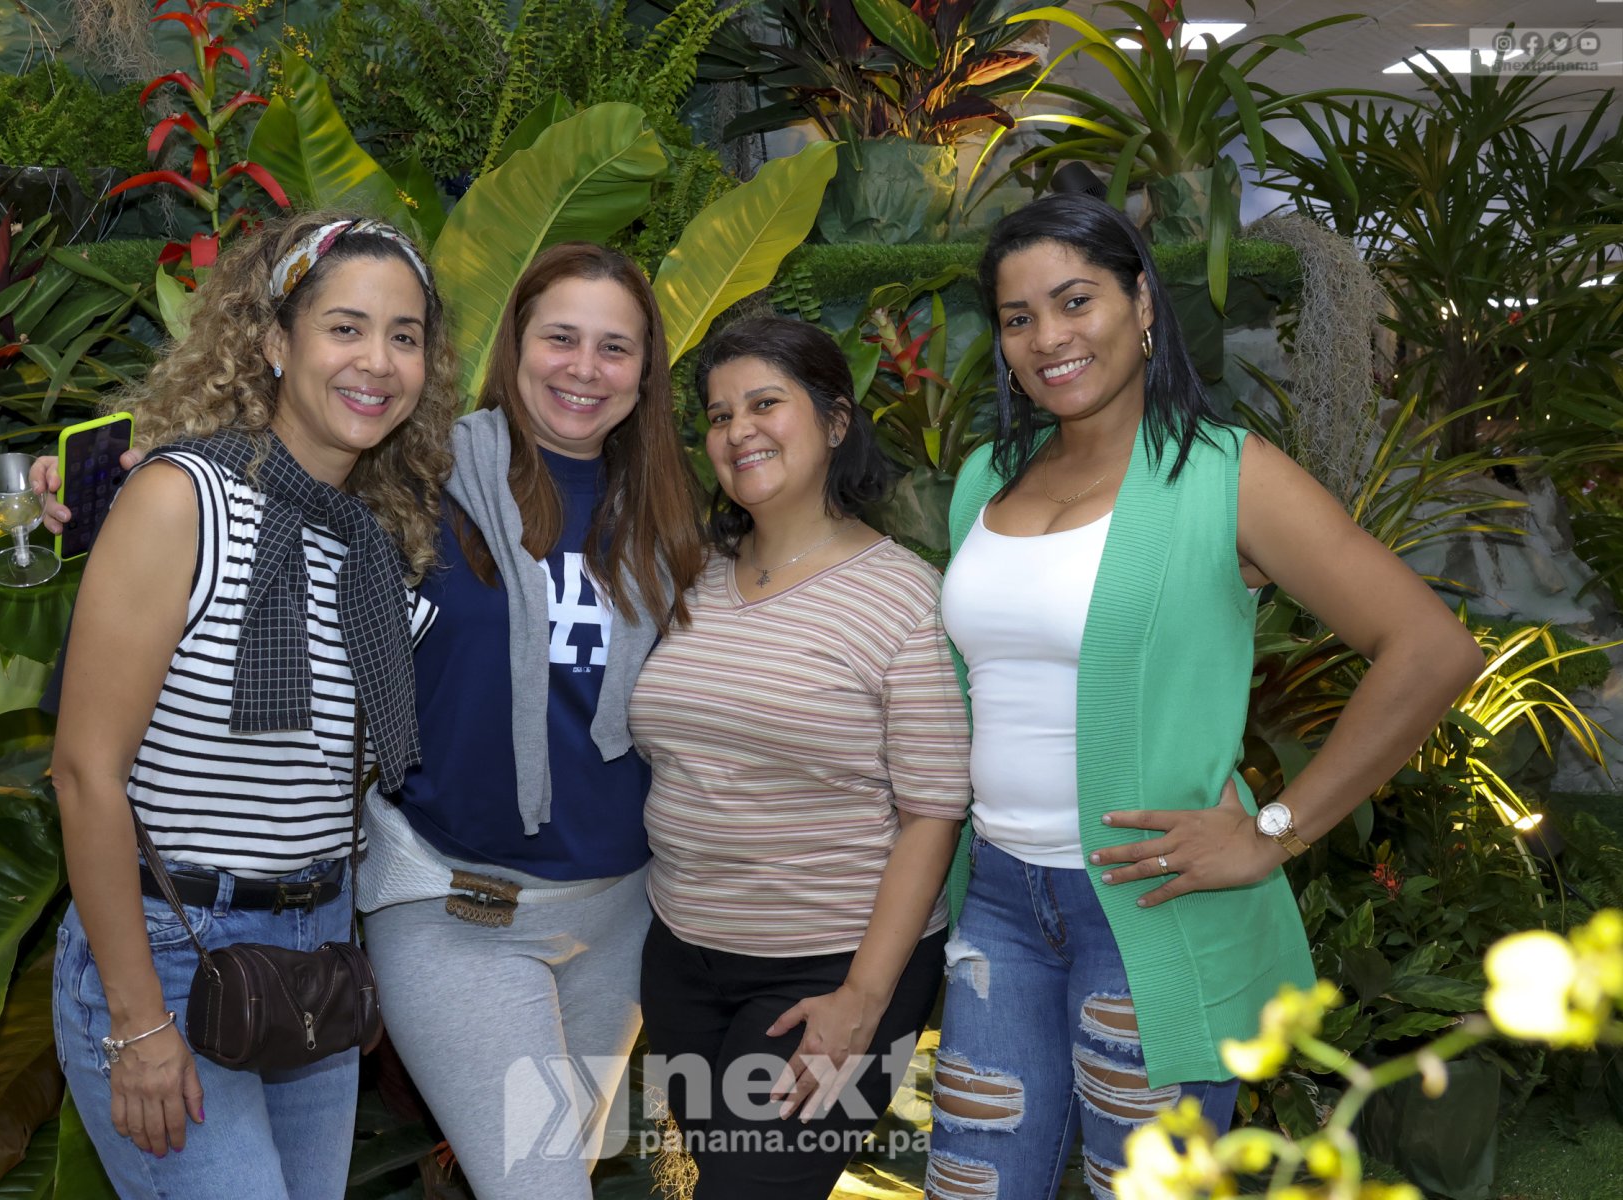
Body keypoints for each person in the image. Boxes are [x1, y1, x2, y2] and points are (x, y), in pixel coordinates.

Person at [922, 193, 1486, 1200]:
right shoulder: (984, 481)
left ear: (1143, 305)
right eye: (1018, 318)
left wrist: (1275, 831)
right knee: (970, 1183)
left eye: (1076, 301)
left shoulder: (1227, 475)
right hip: (1000, 900)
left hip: (1152, 908)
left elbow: (1429, 649)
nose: (1048, 337)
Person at [49, 213, 456, 1199]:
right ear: (275, 341)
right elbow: (85, 774)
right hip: (171, 948)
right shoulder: (180, 501)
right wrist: (138, 1022)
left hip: (314, 955)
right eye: (345, 327)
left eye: (404, 336)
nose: (378, 361)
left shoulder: (374, 542)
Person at [352, 240, 706, 1198]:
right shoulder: (415, 480)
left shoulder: (668, 511)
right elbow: (262, 517)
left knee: (559, 1174)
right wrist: (105, 498)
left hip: (621, 915)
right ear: (516, 344)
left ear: (645, 371)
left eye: (614, 348)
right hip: (460, 911)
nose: (584, 369)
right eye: (561, 338)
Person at [629, 316, 970, 1198]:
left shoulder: (904, 597)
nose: (738, 430)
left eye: (765, 404)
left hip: (829, 971)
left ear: (835, 420)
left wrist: (863, 1000)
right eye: (719, 414)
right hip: (683, 961)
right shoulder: (690, 574)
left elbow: (933, 815)